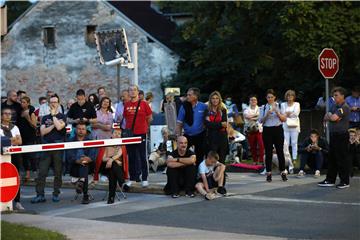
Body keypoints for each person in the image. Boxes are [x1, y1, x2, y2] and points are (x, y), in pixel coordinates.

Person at [31, 94, 66, 203]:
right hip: (46, 146)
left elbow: (60, 127)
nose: (53, 104)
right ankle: (40, 195)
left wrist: (54, 116)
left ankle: (56, 194)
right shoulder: (45, 118)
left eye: (55, 102)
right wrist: (53, 125)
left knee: (58, 172)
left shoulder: (62, 117)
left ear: (58, 103)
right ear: (49, 104)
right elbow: (42, 132)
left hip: (58, 146)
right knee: (42, 172)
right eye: (51, 102)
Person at [318, 87, 351, 189]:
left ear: (342, 96)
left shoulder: (344, 107)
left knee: (342, 158)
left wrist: (331, 116)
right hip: (334, 135)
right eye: (334, 95)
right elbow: (326, 116)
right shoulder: (334, 106)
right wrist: (331, 116)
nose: (334, 97)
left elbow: (333, 118)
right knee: (332, 158)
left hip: (341, 135)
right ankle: (330, 179)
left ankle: (345, 181)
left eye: (336, 95)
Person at [123, 85, 152, 187]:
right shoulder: (126, 104)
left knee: (142, 156)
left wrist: (145, 127)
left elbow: (149, 118)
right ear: (128, 92)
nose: (132, 92)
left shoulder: (144, 104)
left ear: (138, 92)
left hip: (141, 133)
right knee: (131, 156)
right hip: (130, 134)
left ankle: (144, 178)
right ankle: (132, 178)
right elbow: (126, 118)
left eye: (134, 90)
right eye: (130, 90)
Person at [259, 89, 287, 182]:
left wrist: (277, 112)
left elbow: (284, 119)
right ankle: (268, 173)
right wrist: (267, 114)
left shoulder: (280, 106)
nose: (270, 99)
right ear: (266, 98)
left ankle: (283, 171)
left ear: (274, 97)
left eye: (271, 97)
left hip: (277, 129)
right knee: (268, 152)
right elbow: (261, 121)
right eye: (268, 97)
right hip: (267, 130)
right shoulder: (263, 107)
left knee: (280, 151)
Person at [66, 122, 97, 204]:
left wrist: (88, 159)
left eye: (83, 129)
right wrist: (77, 161)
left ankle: (81, 183)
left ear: (86, 131)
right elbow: (69, 156)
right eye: (79, 129)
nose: (81, 131)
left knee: (85, 165)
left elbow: (93, 155)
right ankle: (85, 195)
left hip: (88, 166)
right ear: (76, 130)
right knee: (84, 167)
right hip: (75, 167)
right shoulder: (70, 141)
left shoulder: (90, 141)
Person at [0, 107, 24, 210]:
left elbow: (19, 141)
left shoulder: (15, 127)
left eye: (9, 114)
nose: (7, 115)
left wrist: (8, 140)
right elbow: (2, 142)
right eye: (5, 113)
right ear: (1, 116)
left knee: (16, 176)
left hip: (15, 155)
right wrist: (13, 139)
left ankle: (17, 201)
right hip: (2, 155)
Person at [176, 88, 207, 166]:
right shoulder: (184, 107)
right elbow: (179, 123)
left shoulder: (203, 106)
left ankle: (198, 174)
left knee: (200, 156)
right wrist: (179, 137)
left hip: (200, 134)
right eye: (187, 95)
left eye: (189, 95)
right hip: (187, 135)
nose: (187, 96)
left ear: (196, 96)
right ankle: (183, 172)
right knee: (182, 153)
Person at [100, 129, 125, 204]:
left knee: (112, 172)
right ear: (111, 135)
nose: (117, 135)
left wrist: (112, 160)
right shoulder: (107, 144)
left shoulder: (121, 145)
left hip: (115, 168)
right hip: (105, 167)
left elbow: (119, 154)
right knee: (113, 165)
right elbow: (103, 158)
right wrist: (112, 160)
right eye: (115, 133)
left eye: (119, 134)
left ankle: (111, 198)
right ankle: (122, 182)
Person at [204, 91, 228, 164]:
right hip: (211, 137)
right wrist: (220, 124)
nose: (215, 100)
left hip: (222, 137)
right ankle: (211, 174)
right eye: (213, 98)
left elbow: (225, 124)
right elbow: (207, 124)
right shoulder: (207, 111)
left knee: (222, 158)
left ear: (219, 99)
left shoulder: (223, 110)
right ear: (210, 100)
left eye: (217, 98)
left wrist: (212, 124)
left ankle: (222, 174)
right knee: (212, 157)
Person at [18, 96, 38, 181]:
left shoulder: (31, 112)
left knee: (31, 155)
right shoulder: (20, 111)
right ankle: (27, 173)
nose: (22, 104)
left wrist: (28, 118)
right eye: (21, 102)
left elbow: (34, 125)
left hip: (30, 136)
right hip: (21, 137)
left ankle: (35, 172)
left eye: (24, 102)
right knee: (24, 156)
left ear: (28, 103)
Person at [281, 90, 300, 173]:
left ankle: (294, 158)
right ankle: (287, 159)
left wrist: (288, 113)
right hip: (285, 125)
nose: (290, 97)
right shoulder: (283, 104)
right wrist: (289, 113)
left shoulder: (297, 104)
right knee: (286, 143)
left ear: (294, 97)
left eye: (291, 96)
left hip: (295, 125)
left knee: (294, 142)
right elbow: (282, 114)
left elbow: (296, 114)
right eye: (288, 96)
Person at [243, 95, 264, 164]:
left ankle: (261, 160)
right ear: (249, 101)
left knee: (261, 145)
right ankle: (255, 160)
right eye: (252, 100)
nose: (253, 101)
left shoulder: (260, 108)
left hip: (259, 129)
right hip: (250, 130)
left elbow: (260, 116)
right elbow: (247, 116)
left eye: (255, 100)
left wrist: (252, 117)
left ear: (257, 101)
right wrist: (256, 116)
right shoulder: (246, 109)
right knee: (252, 146)